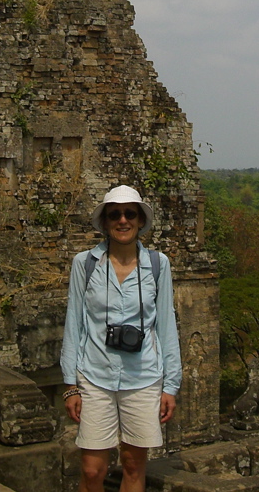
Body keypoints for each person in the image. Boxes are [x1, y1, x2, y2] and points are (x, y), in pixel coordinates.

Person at [60, 185, 182, 492]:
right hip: (95, 375)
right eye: (115, 214)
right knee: (91, 470)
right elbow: (74, 323)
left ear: (141, 220)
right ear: (104, 222)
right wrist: (69, 384)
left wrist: (171, 385)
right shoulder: (85, 264)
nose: (123, 220)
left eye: (130, 214)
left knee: (132, 464)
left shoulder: (157, 264)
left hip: (142, 376)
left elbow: (166, 324)